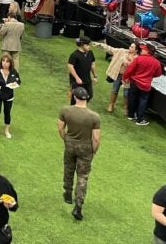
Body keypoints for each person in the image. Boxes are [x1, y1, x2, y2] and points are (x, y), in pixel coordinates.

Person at [58, 86, 101, 221]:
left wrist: (66, 139)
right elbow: (96, 138)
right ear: (87, 98)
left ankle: (67, 193)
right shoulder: (94, 116)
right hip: (85, 148)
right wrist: (93, 151)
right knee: (83, 177)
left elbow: (60, 128)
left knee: (68, 169)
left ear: (74, 97)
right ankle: (78, 205)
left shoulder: (65, 110)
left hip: (70, 145)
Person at [123, 42, 165, 126]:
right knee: (143, 101)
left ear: (147, 51)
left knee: (132, 98)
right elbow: (158, 74)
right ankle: (140, 119)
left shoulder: (139, 59)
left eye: (143, 49)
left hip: (135, 82)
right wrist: (150, 75)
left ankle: (131, 115)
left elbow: (130, 69)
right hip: (145, 85)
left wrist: (125, 77)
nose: (141, 50)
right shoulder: (156, 62)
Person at [0, 53, 21, 139]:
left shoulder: (13, 71)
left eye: (7, 61)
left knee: (7, 113)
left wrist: (16, 83)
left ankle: (6, 130)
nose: (4, 63)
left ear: (10, 63)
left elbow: (18, 80)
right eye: (3, 61)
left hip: (9, 95)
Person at [97, 41, 137, 113]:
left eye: (132, 47)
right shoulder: (122, 51)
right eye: (130, 46)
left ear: (136, 50)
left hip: (128, 78)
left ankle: (126, 108)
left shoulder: (137, 58)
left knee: (126, 93)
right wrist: (101, 44)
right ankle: (111, 104)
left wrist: (129, 61)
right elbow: (111, 49)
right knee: (114, 89)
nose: (129, 47)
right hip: (118, 74)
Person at [67, 36, 97, 104]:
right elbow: (70, 66)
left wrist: (95, 76)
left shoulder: (90, 53)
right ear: (82, 44)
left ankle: (81, 107)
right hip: (76, 81)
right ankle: (73, 111)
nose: (89, 46)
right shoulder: (74, 55)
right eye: (87, 44)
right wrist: (77, 78)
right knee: (75, 98)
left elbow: (92, 64)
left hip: (87, 79)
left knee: (89, 95)